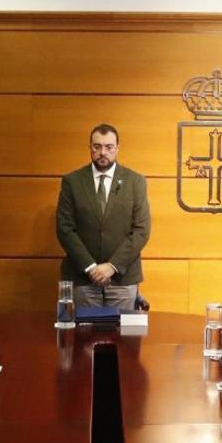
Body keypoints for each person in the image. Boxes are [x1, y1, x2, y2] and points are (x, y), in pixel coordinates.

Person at [56, 123, 152, 312]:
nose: (103, 152)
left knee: (123, 338)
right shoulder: (72, 182)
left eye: (109, 147)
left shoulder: (135, 181)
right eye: (97, 146)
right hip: (82, 278)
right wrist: (91, 267)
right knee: (84, 337)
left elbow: (141, 230)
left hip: (122, 279)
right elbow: (65, 229)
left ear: (117, 149)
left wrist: (112, 266)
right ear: (90, 148)